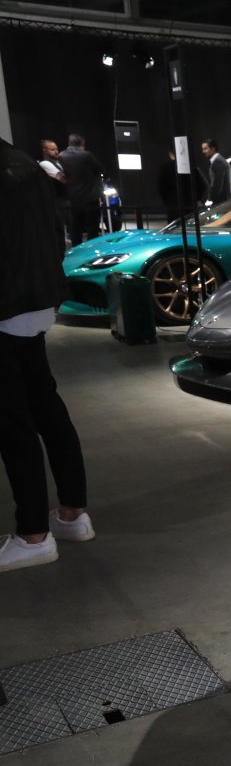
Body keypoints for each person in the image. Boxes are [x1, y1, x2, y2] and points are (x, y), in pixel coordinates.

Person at [0, 135, 92, 572]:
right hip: (35, 300)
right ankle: (73, 515)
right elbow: (56, 232)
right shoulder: (23, 163)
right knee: (47, 410)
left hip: (5, 305)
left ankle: (33, 534)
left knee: (13, 424)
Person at [57, 134, 105, 248]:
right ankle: (92, 250)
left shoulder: (61, 156)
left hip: (73, 197)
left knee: (76, 227)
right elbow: (100, 169)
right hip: (90, 196)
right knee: (92, 227)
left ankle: (76, 250)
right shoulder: (86, 155)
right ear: (82, 144)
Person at [37, 139, 71, 241]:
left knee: (73, 229)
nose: (56, 151)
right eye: (52, 149)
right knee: (59, 232)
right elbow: (63, 179)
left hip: (66, 200)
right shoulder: (44, 164)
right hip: (57, 202)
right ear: (44, 150)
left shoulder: (59, 163)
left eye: (56, 149)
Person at [200, 140, 231, 206]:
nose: (203, 151)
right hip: (223, 201)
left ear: (213, 148)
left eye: (205, 149)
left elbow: (217, 186)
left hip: (221, 203)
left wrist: (210, 201)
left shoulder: (218, 162)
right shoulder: (219, 161)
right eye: (203, 149)